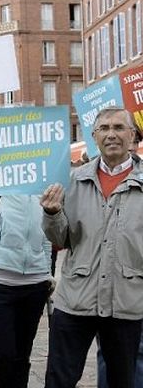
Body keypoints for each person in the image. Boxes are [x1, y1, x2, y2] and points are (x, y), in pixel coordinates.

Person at [40, 107, 143, 388]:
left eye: (119, 128)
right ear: (94, 136)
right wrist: (51, 213)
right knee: (59, 378)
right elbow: (61, 238)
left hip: (126, 302)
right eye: (105, 128)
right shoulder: (74, 180)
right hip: (76, 299)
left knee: (123, 380)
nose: (112, 134)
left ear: (132, 136)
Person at [0, 195, 52, 387]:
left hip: (35, 282)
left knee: (21, 356)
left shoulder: (46, 183)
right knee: (3, 356)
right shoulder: (2, 180)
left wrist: (47, 271)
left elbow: (48, 233)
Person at [97, 131, 143, 388]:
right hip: (111, 286)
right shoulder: (88, 178)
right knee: (110, 353)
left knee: (135, 354)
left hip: (134, 284)